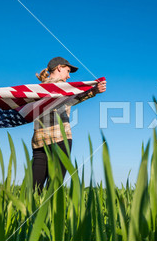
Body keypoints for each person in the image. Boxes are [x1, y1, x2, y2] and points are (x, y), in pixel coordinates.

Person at [32, 57, 106, 192]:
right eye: (67, 70)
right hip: (60, 138)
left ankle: (32, 212)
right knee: (54, 189)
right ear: (59, 68)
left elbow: (74, 99)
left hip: (39, 140)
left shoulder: (37, 89)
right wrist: (93, 91)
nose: (69, 75)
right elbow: (75, 97)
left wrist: (93, 92)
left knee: (34, 189)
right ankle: (49, 212)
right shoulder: (63, 88)